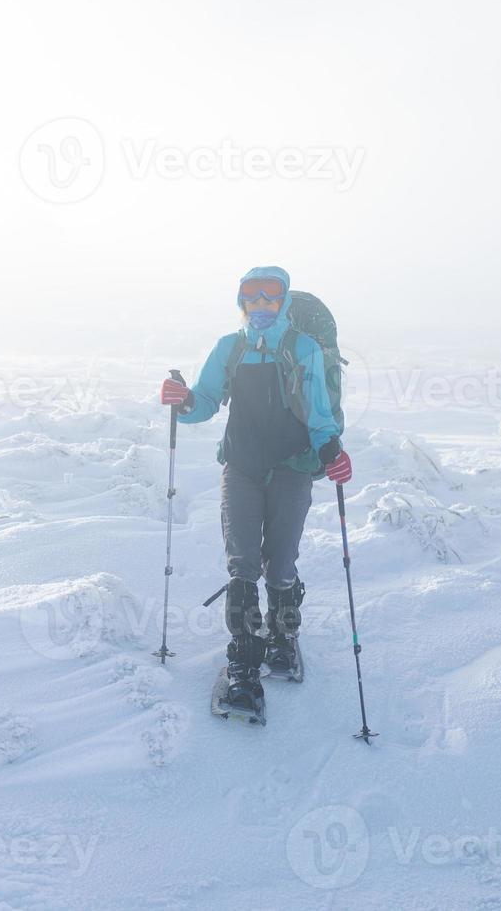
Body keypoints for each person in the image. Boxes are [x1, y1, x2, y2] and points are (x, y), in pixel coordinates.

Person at [160, 266, 353, 717]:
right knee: (242, 563)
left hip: (291, 468)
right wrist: (183, 401)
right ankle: (244, 665)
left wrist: (331, 450)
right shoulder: (229, 348)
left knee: (281, 561)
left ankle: (284, 639)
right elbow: (205, 402)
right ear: (240, 301)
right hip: (241, 467)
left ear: (283, 301)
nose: (261, 304)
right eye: (251, 296)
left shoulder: (304, 349)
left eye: (271, 296)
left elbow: (321, 414)